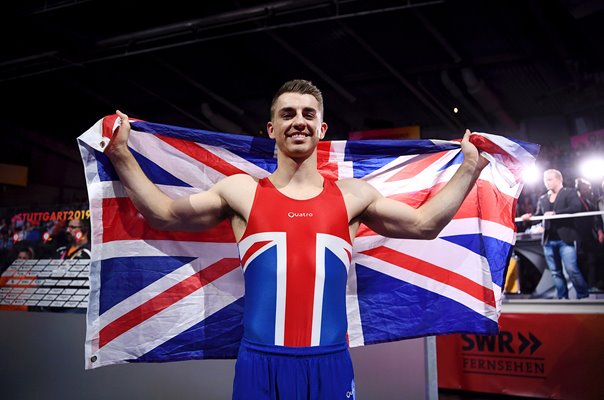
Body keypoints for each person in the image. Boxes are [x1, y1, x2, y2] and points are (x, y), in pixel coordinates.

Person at [106, 79, 488, 399]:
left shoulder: (353, 195)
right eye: (287, 114)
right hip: (260, 364)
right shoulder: (242, 192)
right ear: (271, 129)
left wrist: (470, 166)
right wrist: (121, 153)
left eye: (309, 114)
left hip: (330, 364)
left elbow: (424, 224)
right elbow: (164, 213)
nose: (298, 122)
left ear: (322, 129)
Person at [521, 169, 589, 299]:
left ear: (559, 180)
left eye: (550, 179)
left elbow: (576, 208)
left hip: (566, 238)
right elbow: (539, 215)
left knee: (572, 270)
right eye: (545, 180)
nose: (547, 183)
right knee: (555, 272)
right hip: (548, 240)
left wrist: (556, 214)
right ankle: (562, 297)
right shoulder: (543, 198)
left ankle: (583, 295)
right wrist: (528, 217)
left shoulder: (570, 193)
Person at [575, 178, 604, 291]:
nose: (589, 189)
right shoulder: (576, 201)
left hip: (589, 236)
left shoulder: (589, 202)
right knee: (583, 262)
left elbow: (595, 218)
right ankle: (586, 286)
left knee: (593, 259)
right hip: (579, 236)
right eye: (587, 187)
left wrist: (598, 231)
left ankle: (593, 284)